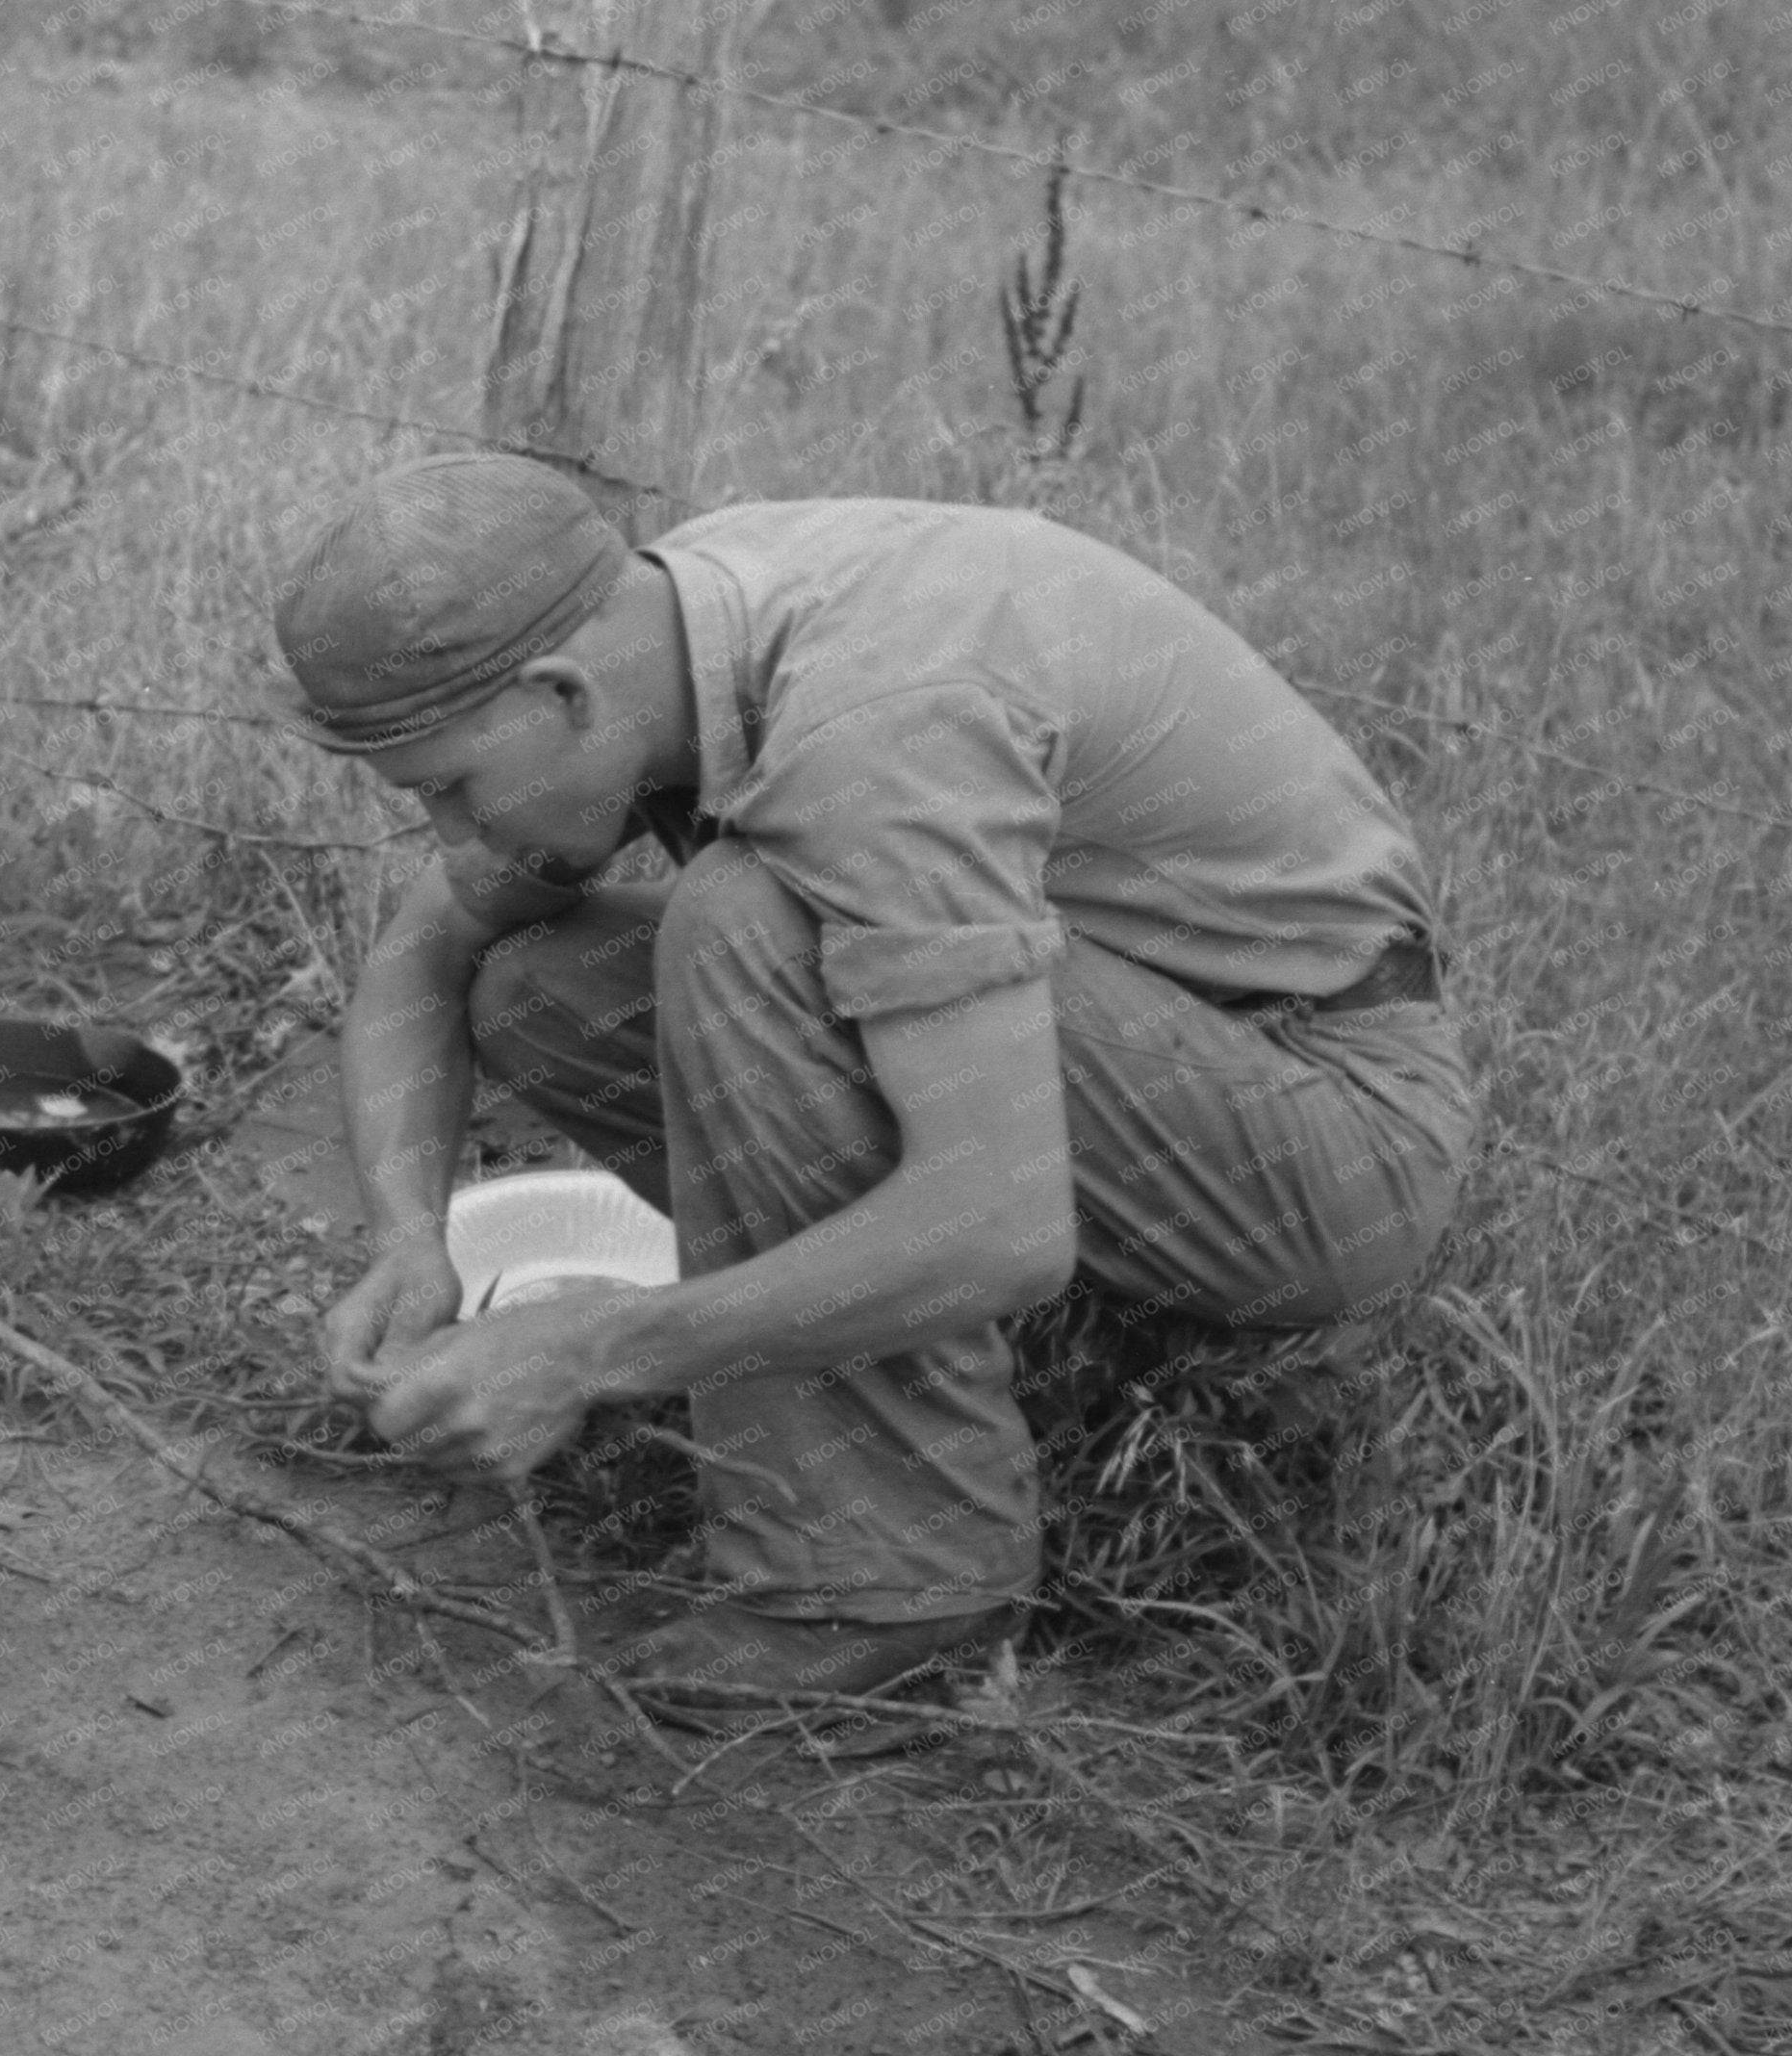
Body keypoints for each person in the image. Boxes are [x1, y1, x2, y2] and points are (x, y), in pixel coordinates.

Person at [280, 456, 1476, 1718]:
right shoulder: (670, 624)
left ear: (560, 691)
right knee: (536, 983)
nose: (454, 843)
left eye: (453, 793)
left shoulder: (871, 727)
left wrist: (583, 1352)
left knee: (740, 925)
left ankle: (889, 1585)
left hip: (1324, 1133)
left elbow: (1000, 1232)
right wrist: (411, 1238)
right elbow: (423, 956)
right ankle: (947, 1359)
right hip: (1132, 1057)